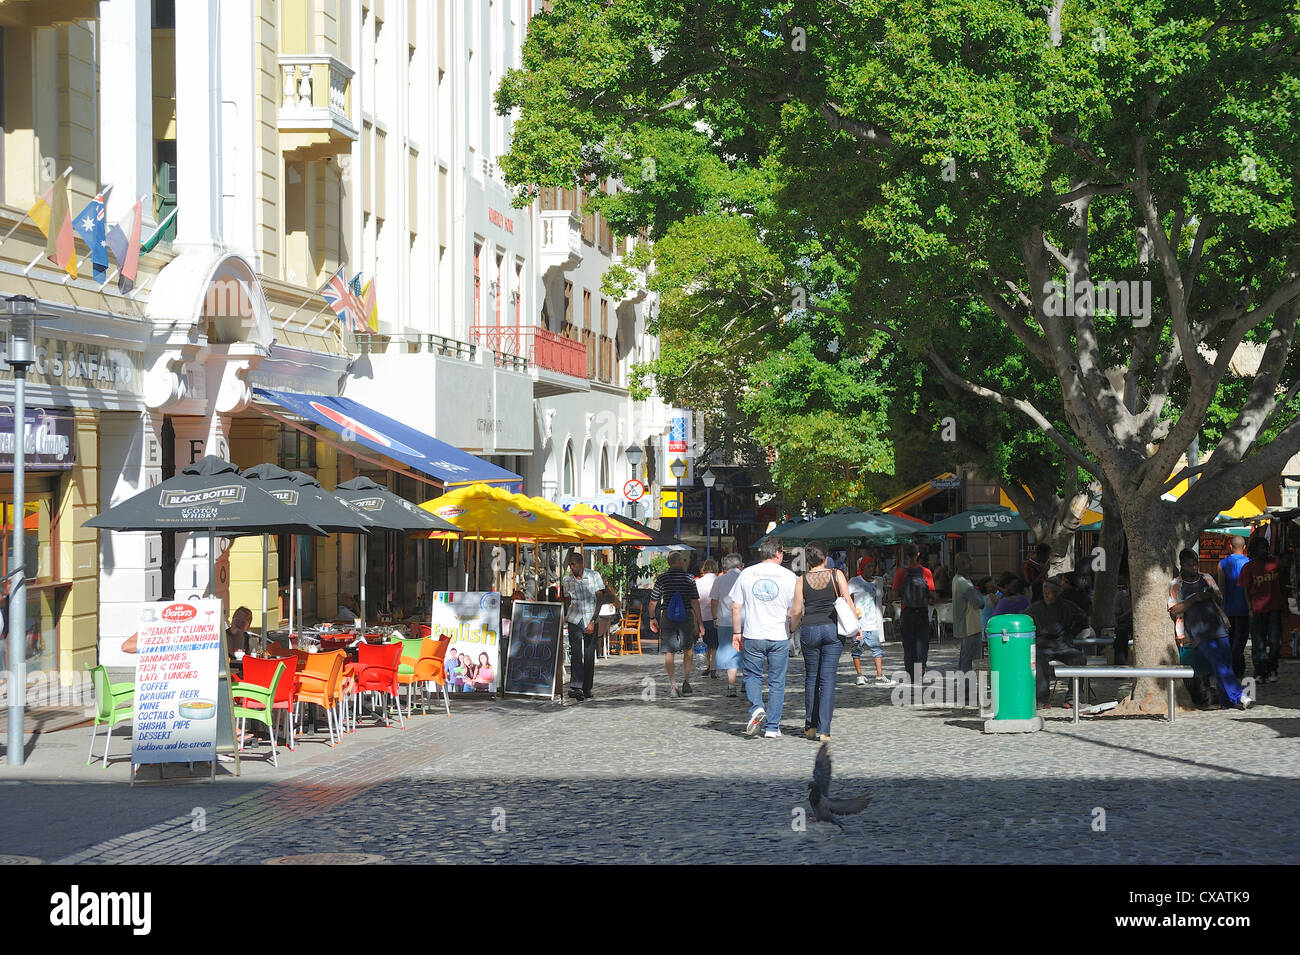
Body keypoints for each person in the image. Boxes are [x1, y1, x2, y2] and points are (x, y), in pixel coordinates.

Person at [729, 538, 798, 738]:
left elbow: (736, 606)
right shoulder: (789, 576)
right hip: (779, 635)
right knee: (777, 681)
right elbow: (795, 610)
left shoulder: (747, 573)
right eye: (783, 552)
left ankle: (757, 707)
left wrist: (736, 632)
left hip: (753, 633)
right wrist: (792, 629)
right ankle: (772, 727)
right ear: (777, 553)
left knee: (752, 676)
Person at [1169, 548, 1252, 709]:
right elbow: (1174, 610)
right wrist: (1195, 599)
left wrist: (1210, 595)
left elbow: (1220, 598)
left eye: (1196, 564)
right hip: (1198, 631)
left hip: (1218, 626)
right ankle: (1238, 694)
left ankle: (1226, 702)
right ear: (1182, 565)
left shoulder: (1206, 578)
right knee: (1218, 662)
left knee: (1225, 664)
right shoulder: (1177, 584)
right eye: (1190, 565)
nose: (1194, 568)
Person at [792, 542, 849, 742]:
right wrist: (856, 627)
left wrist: (791, 629)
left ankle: (810, 725)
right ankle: (825, 730)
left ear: (807, 560)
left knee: (811, 678)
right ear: (825, 557)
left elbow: (797, 611)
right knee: (828, 679)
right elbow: (848, 602)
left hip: (809, 630)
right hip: (832, 630)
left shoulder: (801, 580)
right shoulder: (837, 575)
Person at [648, 551, 704, 698]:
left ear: (668, 562)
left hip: (668, 616)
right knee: (688, 648)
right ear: (679, 561)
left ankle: (673, 685)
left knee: (669, 651)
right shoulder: (689, 578)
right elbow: (694, 602)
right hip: (686, 616)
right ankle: (686, 680)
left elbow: (653, 601)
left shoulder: (662, 579)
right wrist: (700, 621)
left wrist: (652, 618)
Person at [1026, 577, 1090, 707]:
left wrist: (1072, 630)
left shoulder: (1069, 607)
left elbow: (1083, 621)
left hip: (1063, 646)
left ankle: (1073, 697)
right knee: (1037, 659)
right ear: (1044, 591)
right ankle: (1042, 699)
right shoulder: (1034, 609)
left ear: (1058, 593)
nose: (1050, 596)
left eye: (1053, 593)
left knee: (1079, 659)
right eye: (1047, 592)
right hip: (1042, 646)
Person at [1239, 537, 1285, 683]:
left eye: (1266, 547)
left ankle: (1272, 668)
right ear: (1254, 550)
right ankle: (1260, 671)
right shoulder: (1249, 567)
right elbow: (1246, 590)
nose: (1264, 550)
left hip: (1275, 608)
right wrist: (1250, 608)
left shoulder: (1276, 563)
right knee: (1258, 643)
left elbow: (1282, 583)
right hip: (1257, 609)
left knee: (1275, 641)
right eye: (1261, 548)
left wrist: (1286, 605)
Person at [560, 552, 604, 701]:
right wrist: (565, 616)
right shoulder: (567, 580)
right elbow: (566, 599)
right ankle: (576, 686)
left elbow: (600, 599)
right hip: (574, 618)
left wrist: (593, 620)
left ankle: (587, 688)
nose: (572, 567)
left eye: (574, 564)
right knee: (576, 653)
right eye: (570, 565)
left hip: (590, 617)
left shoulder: (593, 576)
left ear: (581, 563)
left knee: (589, 654)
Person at [891, 544, 935, 682]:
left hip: (907, 612)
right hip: (922, 612)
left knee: (908, 643)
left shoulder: (900, 572)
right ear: (918, 554)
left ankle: (910, 672)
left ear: (906, 555)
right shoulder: (926, 572)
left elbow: (894, 594)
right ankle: (920, 669)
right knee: (922, 643)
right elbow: (932, 594)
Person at [848, 556, 895, 687]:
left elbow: (883, 595)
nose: (871, 568)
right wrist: (853, 611)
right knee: (857, 649)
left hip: (873, 622)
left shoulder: (878, 581)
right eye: (868, 566)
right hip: (859, 624)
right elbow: (845, 596)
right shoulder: (854, 581)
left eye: (872, 566)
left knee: (877, 650)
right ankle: (859, 675)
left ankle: (879, 676)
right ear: (862, 567)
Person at [1216, 534, 1252, 679]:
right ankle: (1238, 667)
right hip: (1245, 608)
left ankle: (1233, 666)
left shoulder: (1222, 564)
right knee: (1241, 639)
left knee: (1230, 639)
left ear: (1230, 546)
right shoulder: (1249, 563)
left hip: (1228, 608)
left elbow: (1221, 587)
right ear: (1244, 548)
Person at [711, 554, 745, 697]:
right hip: (745, 621)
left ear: (725, 566)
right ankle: (746, 682)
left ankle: (731, 686)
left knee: (731, 654)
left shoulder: (719, 580)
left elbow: (714, 601)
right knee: (746, 652)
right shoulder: (745, 578)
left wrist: (715, 618)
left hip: (725, 621)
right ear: (739, 565)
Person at [952, 554, 988, 674]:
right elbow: (980, 603)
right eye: (969, 563)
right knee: (969, 659)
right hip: (969, 627)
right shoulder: (964, 583)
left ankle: (965, 685)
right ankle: (967, 686)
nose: (972, 566)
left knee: (965, 657)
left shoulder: (957, 579)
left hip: (966, 626)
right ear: (962, 564)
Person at [696, 559, 719, 678]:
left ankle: (709, 665)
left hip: (702, 617)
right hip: (716, 616)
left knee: (707, 643)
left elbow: (695, 601)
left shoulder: (698, 582)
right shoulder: (719, 580)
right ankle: (713, 667)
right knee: (715, 643)